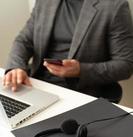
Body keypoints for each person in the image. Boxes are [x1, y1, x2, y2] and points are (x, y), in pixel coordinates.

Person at [3, 0, 133, 103]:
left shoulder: (115, 6)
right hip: (36, 85)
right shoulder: (45, 2)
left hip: (80, 93)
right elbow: (24, 40)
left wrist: (80, 70)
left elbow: (125, 65)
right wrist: (16, 67)